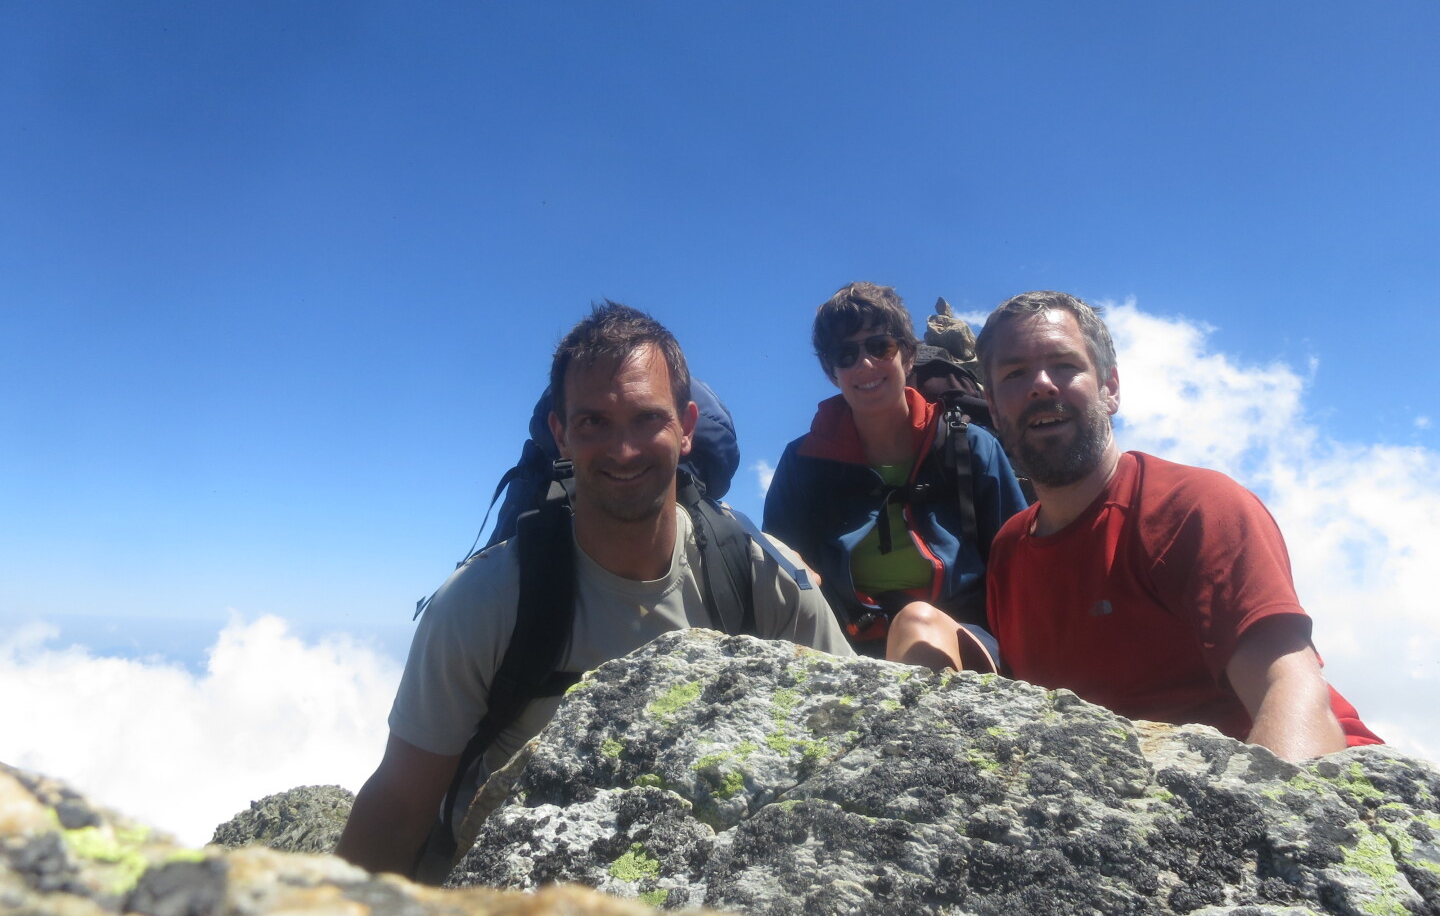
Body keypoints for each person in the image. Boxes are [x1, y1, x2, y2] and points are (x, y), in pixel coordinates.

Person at [336, 302, 853, 877]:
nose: (624, 450)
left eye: (646, 419)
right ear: (560, 435)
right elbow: (398, 809)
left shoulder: (759, 578)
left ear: (685, 427)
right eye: (593, 423)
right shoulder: (485, 602)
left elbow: (857, 740)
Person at [975, 290, 1380, 758]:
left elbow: (1289, 687)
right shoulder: (1009, 550)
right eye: (1014, 373)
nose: (1041, 385)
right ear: (992, 404)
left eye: (1065, 365)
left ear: (1111, 388)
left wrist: (1261, 823)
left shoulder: (1193, 507)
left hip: (1313, 790)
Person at [763, 283, 1028, 672]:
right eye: (845, 354)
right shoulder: (804, 463)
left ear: (909, 354)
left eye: (879, 346)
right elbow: (782, 570)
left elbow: (1018, 565)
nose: (864, 365)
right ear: (832, 371)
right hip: (842, 641)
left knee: (917, 621)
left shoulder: (968, 447)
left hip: (963, 631)